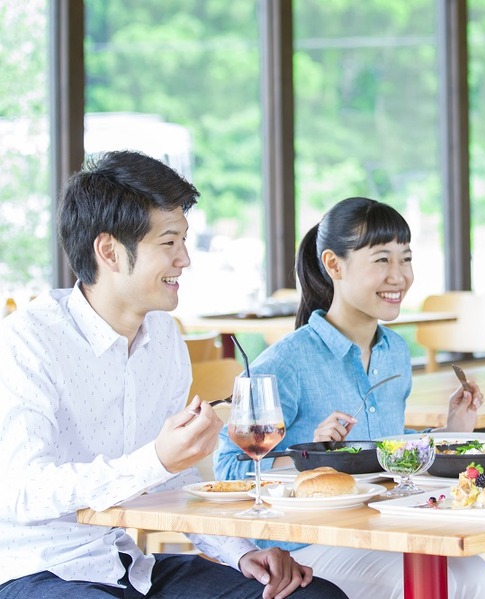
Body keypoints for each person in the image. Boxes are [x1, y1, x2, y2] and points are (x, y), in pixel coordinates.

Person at [0, 151, 346, 599]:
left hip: (128, 564)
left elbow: (174, 480)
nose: (184, 259)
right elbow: (23, 492)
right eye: (168, 243)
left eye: (184, 240)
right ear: (108, 251)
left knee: (312, 595)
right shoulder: (28, 341)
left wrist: (240, 552)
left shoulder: (163, 337)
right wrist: (157, 460)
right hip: (35, 570)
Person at [215, 197, 485, 598]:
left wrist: (451, 431)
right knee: (459, 583)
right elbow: (226, 468)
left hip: (386, 528)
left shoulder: (396, 352)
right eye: (382, 260)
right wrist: (309, 456)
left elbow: (387, 447)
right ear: (334, 265)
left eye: (405, 259)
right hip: (308, 544)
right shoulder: (286, 361)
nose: (399, 276)